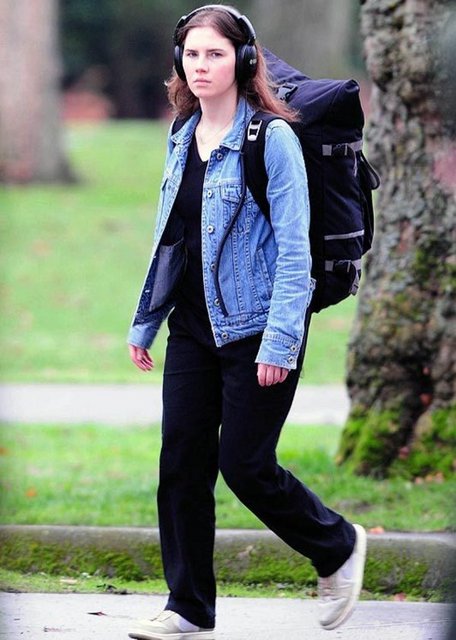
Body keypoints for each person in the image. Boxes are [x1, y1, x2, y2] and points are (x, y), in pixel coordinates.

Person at [127, 5, 366, 639]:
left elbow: (295, 252)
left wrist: (281, 341)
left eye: (215, 54)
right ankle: (187, 606)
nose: (201, 66)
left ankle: (337, 545)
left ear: (245, 60)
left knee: (245, 466)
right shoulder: (183, 133)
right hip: (193, 326)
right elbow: (172, 235)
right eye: (192, 54)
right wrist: (146, 321)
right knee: (181, 461)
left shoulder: (271, 138)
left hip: (259, 325)